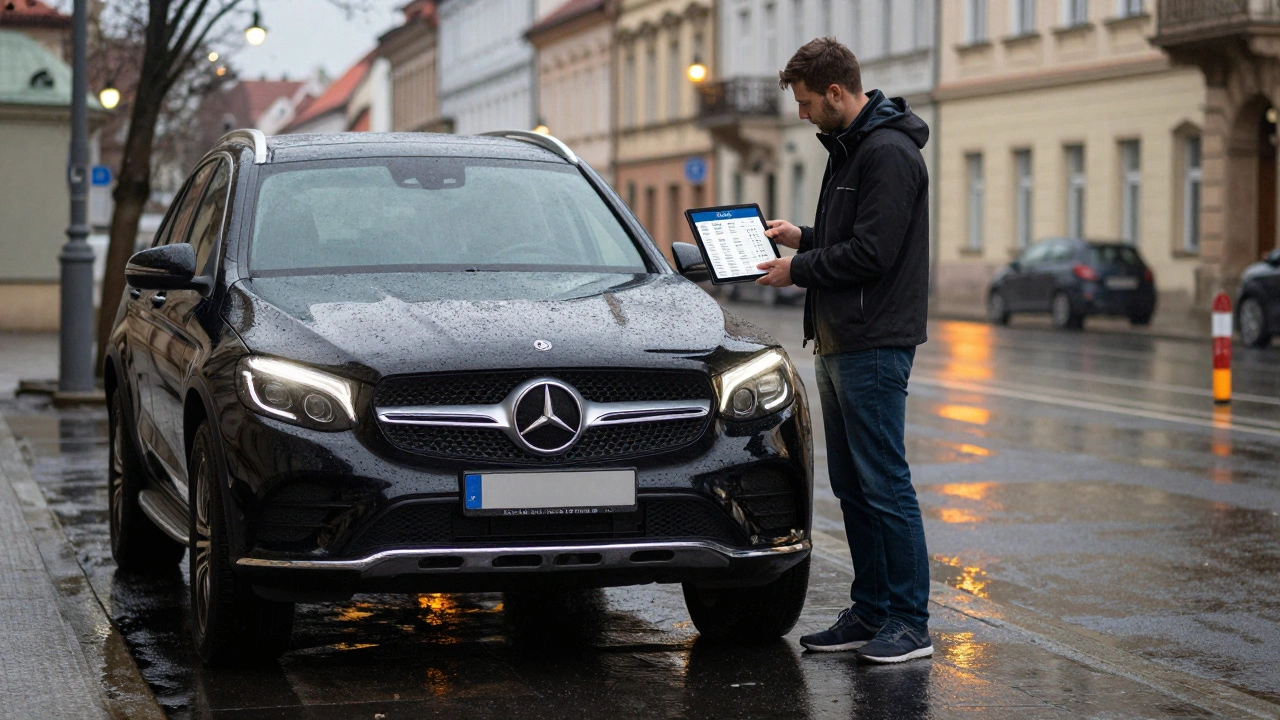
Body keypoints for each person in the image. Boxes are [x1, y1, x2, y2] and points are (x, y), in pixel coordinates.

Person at [754, 37, 933, 664]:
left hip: (874, 341)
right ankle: (872, 610)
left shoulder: (887, 152)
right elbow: (851, 235)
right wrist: (799, 235)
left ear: (836, 93)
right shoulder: (849, 148)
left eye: (806, 103)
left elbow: (873, 253)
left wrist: (797, 268)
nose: (801, 114)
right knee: (853, 484)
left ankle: (910, 621)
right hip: (838, 337)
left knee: (885, 483)